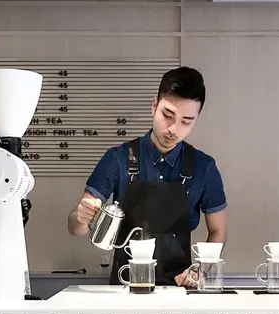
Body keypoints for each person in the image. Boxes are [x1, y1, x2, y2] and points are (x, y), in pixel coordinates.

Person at [67, 66, 227, 287]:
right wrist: (82, 216)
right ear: (154, 106)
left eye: (186, 121)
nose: (173, 129)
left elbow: (218, 231)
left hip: (179, 290)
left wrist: (200, 268)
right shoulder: (117, 158)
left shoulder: (204, 167)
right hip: (124, 289)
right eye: (167, 115)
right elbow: (75, 228)